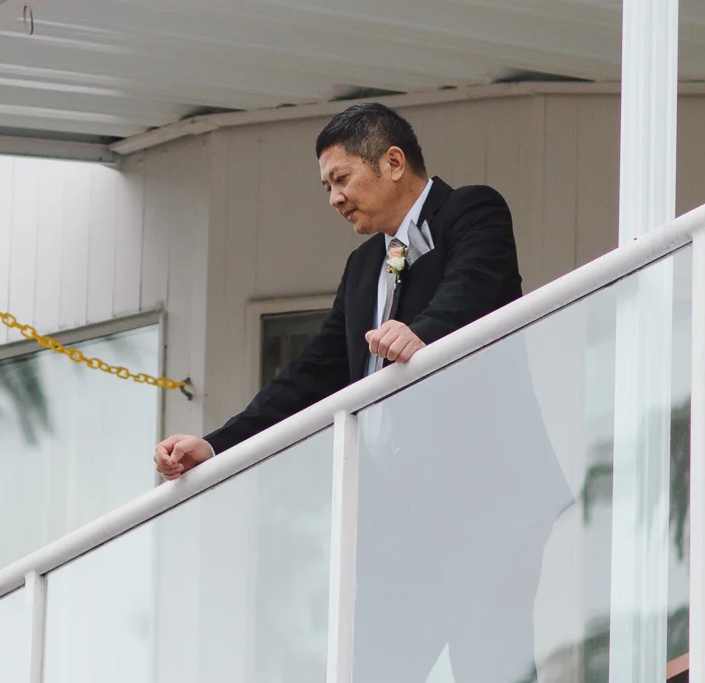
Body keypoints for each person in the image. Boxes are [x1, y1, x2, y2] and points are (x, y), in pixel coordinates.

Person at [154, 101, 523, 480]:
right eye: (327, 187)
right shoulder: (362, 265)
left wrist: (421, 334)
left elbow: (472, 290)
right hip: (384, 482)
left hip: (479, 464)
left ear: (394, 163)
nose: (334, 198)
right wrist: (216, 446)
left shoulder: (472, 210)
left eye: (341, 179)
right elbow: (313, 371)